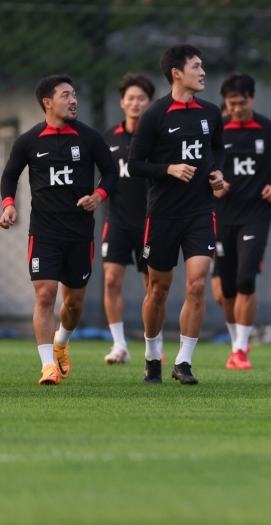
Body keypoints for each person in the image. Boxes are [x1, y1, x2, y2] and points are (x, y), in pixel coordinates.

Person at [0, 75, 118, 385]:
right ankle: (47, 366)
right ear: (47, 103)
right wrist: (9, 204)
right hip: (44, 232)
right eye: (66, 95)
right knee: (45, 296)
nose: (73, 100)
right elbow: (9, 176)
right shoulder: (29, 140)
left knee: (74, 302)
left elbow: (111, 172)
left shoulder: (89, 137)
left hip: (79, 233)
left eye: (74, 94)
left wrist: (98, 196)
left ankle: (61, 343)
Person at [128, 44, 225, 385]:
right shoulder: (155, 115)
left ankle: (183, 362)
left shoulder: (211, 112)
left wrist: (216, 173)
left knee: (197, 284)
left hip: (200, 211)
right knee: (159, 289)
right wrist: (168, 168)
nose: (202, 72)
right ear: (176, 73)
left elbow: (217, 149)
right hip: (163, 214)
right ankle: (152, 354)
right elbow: (135, 164)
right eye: (196, 66)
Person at [210, 73, 271, 370]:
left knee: (245, 279)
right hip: (221, 215)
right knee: (225, 289)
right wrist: (213, 180)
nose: (237, 108)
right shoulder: (216, 132)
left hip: (255, 215)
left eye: (242, 102)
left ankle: (240, 349)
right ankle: (236, 342)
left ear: (252, 99)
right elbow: (202, 164)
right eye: (232, 103)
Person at [101, 73, 155, 365]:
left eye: (141, 98)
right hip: (118, 220)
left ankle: (153, 345)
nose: (135, 103)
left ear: (149, 102)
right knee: (111, 279)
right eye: (130, 98)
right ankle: (119, 344)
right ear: (122, 102)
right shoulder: (109, 138)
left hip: (150, 220)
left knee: (153, 286)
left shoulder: (156, 137)